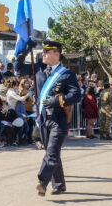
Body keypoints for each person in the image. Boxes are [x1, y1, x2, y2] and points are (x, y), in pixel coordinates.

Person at [16, 40, 81, 195]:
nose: (43, 54)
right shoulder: (38, 68)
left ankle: (43, 182)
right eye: (43, 52)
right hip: (43, 119)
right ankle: (59, 184)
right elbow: (18, 69)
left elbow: (76, 95)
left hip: (58, 120)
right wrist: (25, 50)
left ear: (57, 54)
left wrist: (56, 100)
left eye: (47, 52)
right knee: (52, 153)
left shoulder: (67, 74)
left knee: (51, 153)